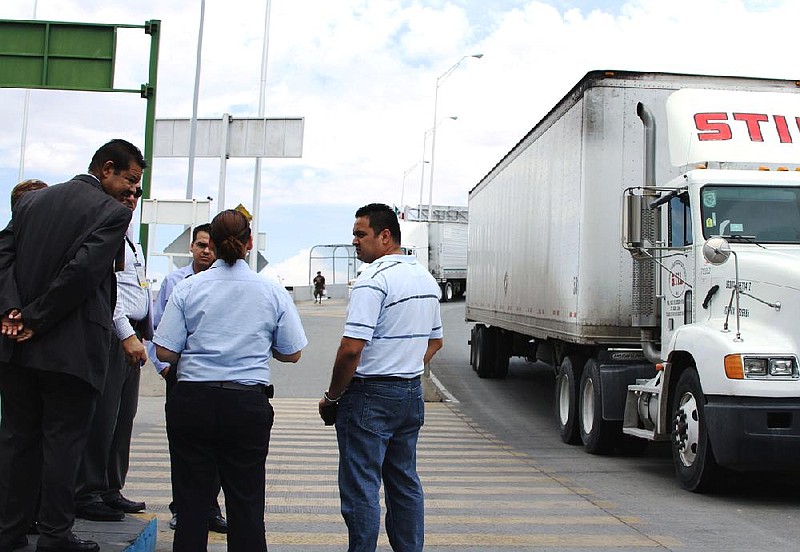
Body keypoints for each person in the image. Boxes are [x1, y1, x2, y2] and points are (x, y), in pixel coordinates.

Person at [0, 139, 145, 552]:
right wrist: (36, 319)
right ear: (107, 168)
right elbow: (82, 273)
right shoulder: (111, 214)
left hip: (16, 348)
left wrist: (12, 312)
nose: (130, 192)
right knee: (64, 442)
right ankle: (55, 535)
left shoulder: (32, 203)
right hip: (72, 349)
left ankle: (8, 532)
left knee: (16, 439)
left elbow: (3, 255)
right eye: (130, 180)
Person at [154, 209, 307, 552]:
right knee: (247, 504)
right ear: (249, 242)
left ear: (215, 245)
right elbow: (293, 352)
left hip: (193, 402)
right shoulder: (271, 290)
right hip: (245, 404)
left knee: (192, 503)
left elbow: (164, 351)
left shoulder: (189, 287)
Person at [318, 203, 443, 552]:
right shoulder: (426, 279)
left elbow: (351, 349)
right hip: (408, 394)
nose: (355, 242)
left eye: (361, 234)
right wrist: (403, 364)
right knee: (404, 483)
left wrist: (331, 397)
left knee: (361, 488)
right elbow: (436, 341)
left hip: (369, 396)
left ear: (385, 236)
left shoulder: (372, 280)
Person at [75, 183, 150, 521]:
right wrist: (125, 334)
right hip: (113, 333)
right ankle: (87, 492)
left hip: (133, 335)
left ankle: (110, 487)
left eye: (136, 194)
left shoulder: (130, 236)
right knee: (103, 416)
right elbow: (109, 293)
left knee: (123, 417)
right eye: (126, 193)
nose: (131, 198)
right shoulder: (107, 232)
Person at [146, 223, 228, 533]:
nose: (206, 251)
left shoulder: (222, 281)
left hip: (213, 375)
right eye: (200, 245)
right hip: (179, 373)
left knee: (217, 447)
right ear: (191, 248)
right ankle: (182, 506)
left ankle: (210, 508)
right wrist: (163, 368)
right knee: (183, 449)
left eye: (211, 246)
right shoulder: (174, 281)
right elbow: (155, 327)